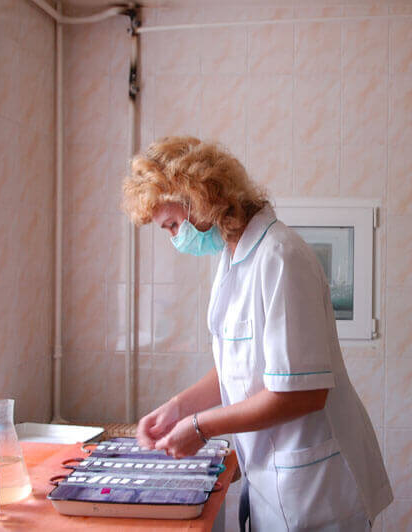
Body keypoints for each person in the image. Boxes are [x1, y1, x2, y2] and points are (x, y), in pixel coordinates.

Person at [122, 136, 392, 531]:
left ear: (201, 199)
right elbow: (237, 369)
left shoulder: (281, 257)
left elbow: (304, 393)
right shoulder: (231, 259)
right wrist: (178, 408)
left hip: (316, 491)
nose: (176, 238)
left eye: (174, 225)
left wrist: (201, 428)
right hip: (273, 481)